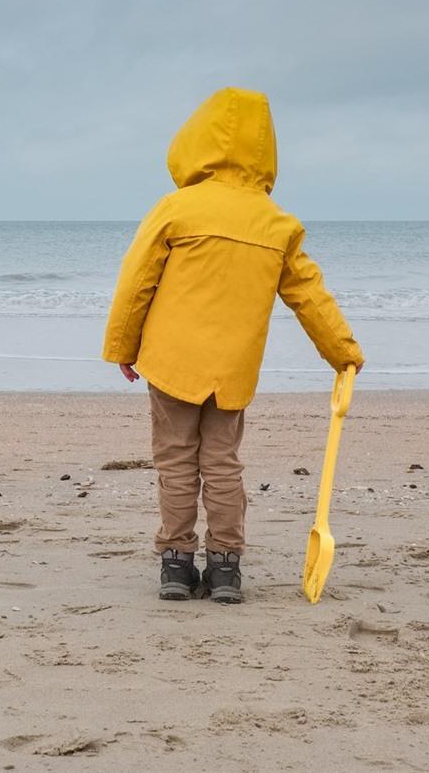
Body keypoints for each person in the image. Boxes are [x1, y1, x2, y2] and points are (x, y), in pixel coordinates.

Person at [102, 87, 363, 604]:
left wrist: (122, 348)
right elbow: (308, 294)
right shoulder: (277, 223)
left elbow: (137, 283)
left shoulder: (177, 209)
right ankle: (225, 567)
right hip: (233, 369)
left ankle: (176, 564)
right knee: (222, 464)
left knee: (176, 461)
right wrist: (343, 352)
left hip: (171, 360)